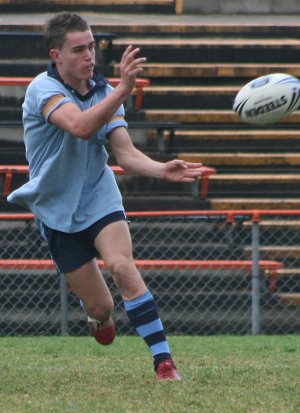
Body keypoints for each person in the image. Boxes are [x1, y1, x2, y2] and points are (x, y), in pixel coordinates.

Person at [8, 12, 205, 381]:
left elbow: (125, 154)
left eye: (92, 47)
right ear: (57, 55)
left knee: (121, 265)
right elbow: (81, 127)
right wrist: (122, 89)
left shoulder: (103, 91)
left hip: (99, 196)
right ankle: (97, 316)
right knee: (102, 307)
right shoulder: (43, 89)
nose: (89, 56)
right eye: (79, 49)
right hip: (56, 210)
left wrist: (162, 168)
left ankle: (164, 362)